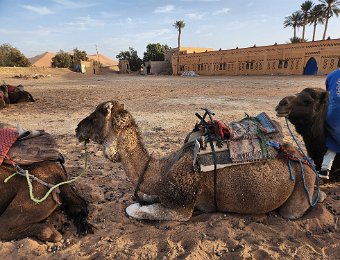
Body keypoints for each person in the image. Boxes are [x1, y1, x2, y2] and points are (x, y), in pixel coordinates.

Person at [319, 68, 340, 179]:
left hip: (332, 116)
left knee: (332, 143)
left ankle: (324, 169)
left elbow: (329, 93)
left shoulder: (331, 75)